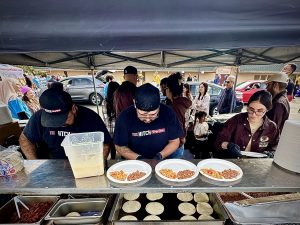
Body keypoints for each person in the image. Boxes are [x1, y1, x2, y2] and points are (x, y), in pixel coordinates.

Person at [19, 89, 111, 159]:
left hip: (85, 161)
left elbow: (105, 145)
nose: (59, 123)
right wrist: (34, 161)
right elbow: (25, 139)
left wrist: (97, 164)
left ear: (74, 109)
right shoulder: (38, 117)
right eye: (52, 119)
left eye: (62, 118)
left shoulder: (91, 117)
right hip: (54, 165)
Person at [114, 83, 184, 160]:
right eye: (142, 114)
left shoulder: (168, 113)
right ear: (134, 103)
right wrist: (139, 158)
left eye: (153, 114)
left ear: (159, 106)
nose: (147, 119)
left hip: (162, 160)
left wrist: (160, 156)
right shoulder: (124, 117)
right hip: (134, 162)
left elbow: (174, 141)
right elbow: (120, 146)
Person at [214, 90, 280, 158]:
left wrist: (271, 153)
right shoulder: (236, 120)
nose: (254, 115)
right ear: (247, 107)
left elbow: (275, 147)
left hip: (257, 164)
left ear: (267, 110)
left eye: (260, 111)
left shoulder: (272, 128)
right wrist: (228, 145)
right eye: (251, 110)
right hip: (233, 161)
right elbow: (218, 142)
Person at [166, 73, 192, 158]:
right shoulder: (182, 103)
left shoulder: (175, 107)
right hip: (180, 144)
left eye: (166, 88)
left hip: (175, 145)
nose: (165, 90)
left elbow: (179, 126)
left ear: (170, 90)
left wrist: (180, 139)